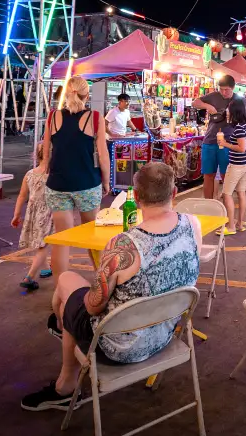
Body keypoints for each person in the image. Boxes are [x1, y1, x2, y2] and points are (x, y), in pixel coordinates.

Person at [22, 163, 201, 411]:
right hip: (166, 332)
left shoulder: (123, 245)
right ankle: (64, 327)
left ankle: (65, 381)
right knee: (72, 294)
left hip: (119, 348)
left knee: (66, 285)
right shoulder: (193, 226)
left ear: (136, 197)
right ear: (173, 193)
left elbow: (95, 308)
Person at [41, 75, 109, 278]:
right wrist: (106, 181)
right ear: (87, 95)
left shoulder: (52, 117)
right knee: (92, 237)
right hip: (87, 182)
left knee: (62, 240)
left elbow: (45, 153)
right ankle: (102, 283)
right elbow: (103, 156)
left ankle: (61, 290)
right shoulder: (95, 118)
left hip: (58, 184)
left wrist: (45, 166)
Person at [11, 144, 53, 291]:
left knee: (40, 241)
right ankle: (29, 277)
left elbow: (22, 195)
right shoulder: (54, 174)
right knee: (43, 244)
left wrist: (16, 214)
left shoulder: (29, 174)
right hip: (49, 212)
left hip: (33, 212)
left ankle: (46, 268)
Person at [193, 75, 235, 200]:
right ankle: (208, 204)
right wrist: (207, 106)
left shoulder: (238, 100)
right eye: (221, 89)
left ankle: (227, 205)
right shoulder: (214, 96)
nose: (223, 92)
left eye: (226, 90)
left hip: (227, 142)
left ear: (233, 88)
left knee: (225, 175)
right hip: (210, 140)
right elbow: (195, 102)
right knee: (208, 174)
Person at [217, 98, 246, 233]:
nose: (228, 113)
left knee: (226, 194)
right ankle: (240, 224)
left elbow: (242, 148)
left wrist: (225, 144)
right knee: (241, 193)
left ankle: (231, 226)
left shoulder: (239, 128)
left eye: (229, 110)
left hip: (237, 165)